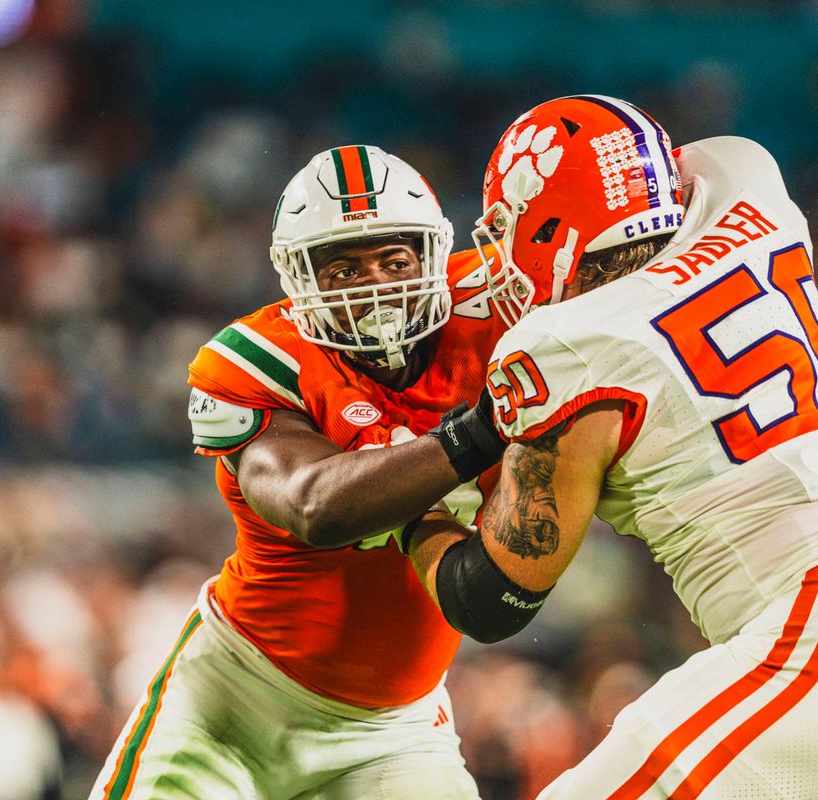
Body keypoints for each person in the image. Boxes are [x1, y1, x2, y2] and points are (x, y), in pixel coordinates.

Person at [406, 95, 818, 799]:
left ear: (552, 231)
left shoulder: (560, 345)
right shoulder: (749, 184)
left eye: (508, 228)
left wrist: (411, 511)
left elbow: (491, 598)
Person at [89, 145, 510, 800]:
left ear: (432, 256)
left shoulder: (501, 304)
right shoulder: (258, 360)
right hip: (235, 704)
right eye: (344, 269)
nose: (376, 286)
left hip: (394, 730)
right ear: (301, 280)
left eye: (394, 261)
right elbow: (316, 506)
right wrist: (481, 431)